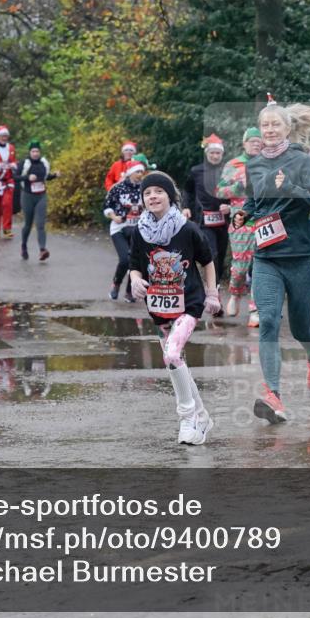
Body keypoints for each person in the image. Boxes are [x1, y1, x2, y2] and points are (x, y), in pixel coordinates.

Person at [232, 96, 310, 424]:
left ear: (287, 128)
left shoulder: (301, 161)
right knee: (269, 322)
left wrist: (291, 188)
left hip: (301, 257)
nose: (270, 129)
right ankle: (273, 396)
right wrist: (243, 214)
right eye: (265, 125)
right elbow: (255, 204)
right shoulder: (255, 165)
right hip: (267, 258)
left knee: (301, 328)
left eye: (275, 124)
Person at [128, 171, 221, 445]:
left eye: (159, 191)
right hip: (159, 308)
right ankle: (202, 417)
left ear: (170, 196)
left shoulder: (187, 228)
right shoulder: (140, 232)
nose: (152, 196)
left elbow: (208, 261)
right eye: (147, 193)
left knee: (171, 355)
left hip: (188, 304)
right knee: (176, 361)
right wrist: (135, 281)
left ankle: (187, 418)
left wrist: (212, 294)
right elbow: (134, 265)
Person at [215, 127, 264, 326]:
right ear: (244, 144)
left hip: (264, 219)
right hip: (241, 219)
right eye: (252, 141)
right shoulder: (233, 164)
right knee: (241, 266)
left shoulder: (268, 163)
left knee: (261, 264)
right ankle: (235, 293)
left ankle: (255, 308)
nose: (256, 144)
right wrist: (239, 187)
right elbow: (220, 191)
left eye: (259, 141)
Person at [184, 134, 231, 318]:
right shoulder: (196, 171)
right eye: (212, 153)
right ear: (207, 153)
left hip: (223, 221)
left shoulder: (228, 170)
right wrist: (186, 207)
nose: (215, 156)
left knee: (221, 257)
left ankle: (214, 288)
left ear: (222, 154)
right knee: (213, 255)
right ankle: (215, 296)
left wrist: (230, 205)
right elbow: (188, 190)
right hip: (204, 220)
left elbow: (237, 192)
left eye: (218, 153)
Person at [104, 160, 146, 301]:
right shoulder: (118, 188)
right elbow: (107, 205)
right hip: (120, 229)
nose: (140, 174)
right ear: (130, 173)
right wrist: (113, 216)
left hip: (138, 230)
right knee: (125, 259)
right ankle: (116, 284)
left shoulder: (145, 188)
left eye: (142, 172)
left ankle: (130, 291)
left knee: (137, 261)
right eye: (137, 171)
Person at [17, 140, 56, 261]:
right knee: (28, 224)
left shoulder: (44, 163)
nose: (35, 153)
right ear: (30, 152)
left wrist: (54, 175)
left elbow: (46, 176)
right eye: (33, 151)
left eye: (37, 151)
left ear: (40, 152)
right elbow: (15, 177)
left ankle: (42, 250)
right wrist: (27, 177)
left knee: (40, 224)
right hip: (27, 196)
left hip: (41, 196)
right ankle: (24, 246)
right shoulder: (24, 163)